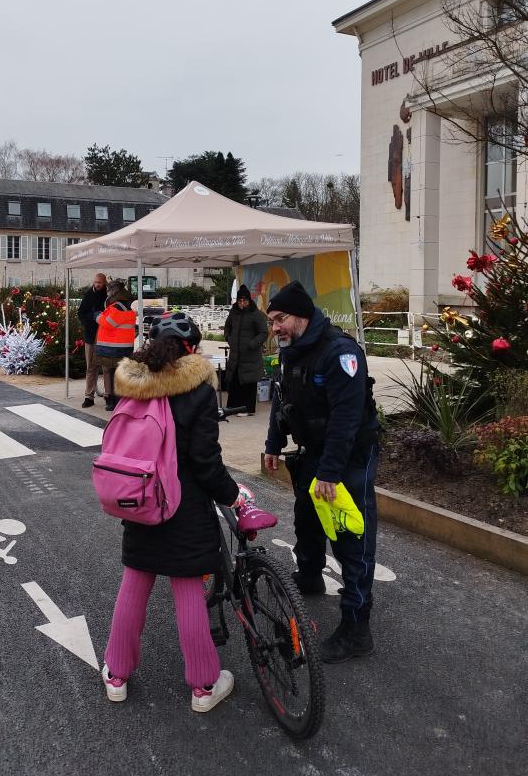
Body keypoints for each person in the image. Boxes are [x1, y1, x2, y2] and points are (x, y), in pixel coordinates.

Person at [102, 312, 240, 712]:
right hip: (186, 505)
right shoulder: (198, 391)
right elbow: (205, 461)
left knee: (135, 583)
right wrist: (233, 496)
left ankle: (117, 674)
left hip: (140, 499)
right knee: (187, 592)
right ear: (190, 349)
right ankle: (203, 687)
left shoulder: (133, 388)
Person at [263, 281, 379, 663]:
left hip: (348, 460)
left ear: (301, 315)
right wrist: (273, 444)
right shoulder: (292, 351)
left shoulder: (340, 352)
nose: (275, 327)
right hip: (315, 453)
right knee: (307, 519)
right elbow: (283, 399)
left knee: (350, 538)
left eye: (280, 319)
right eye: (272, 321)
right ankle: (310, 576)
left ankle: (355, 630)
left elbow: (347, 419)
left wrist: (330, 472)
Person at [223, 284, 268, 416]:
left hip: (250, 355)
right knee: (234, 380)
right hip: (235, 354)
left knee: (248, 382)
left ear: (249, 300)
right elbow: (227, 327)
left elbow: (263, 333)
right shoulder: (233, 312)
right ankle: (233, 407)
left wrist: (252, 344)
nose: (242, 303)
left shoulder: (256, 314)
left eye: (244, 300)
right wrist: (228, 338)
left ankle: (247, 409)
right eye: (240, 300)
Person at [94, 279, 136, 411]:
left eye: (108, 290)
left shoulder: (118, 306)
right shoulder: (126, 304)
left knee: (111, 374)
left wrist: (96, 316)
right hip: (122, 346)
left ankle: (113, 401)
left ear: (113, 291)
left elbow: (108, 322)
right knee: (118, 374)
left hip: (113, 347)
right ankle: (116, 400)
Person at [77, 273, 108, 408]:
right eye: (95, 282)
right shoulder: (89, 294)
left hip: (106, 337)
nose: (97, 284)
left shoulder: (109, 295)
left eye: (100, 282)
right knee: (91, 367)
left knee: (106, 367)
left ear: (104, 282)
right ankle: (89, 396)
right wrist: (92, 320)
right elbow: (81, 313)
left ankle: (109, 395)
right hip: (91, 335)